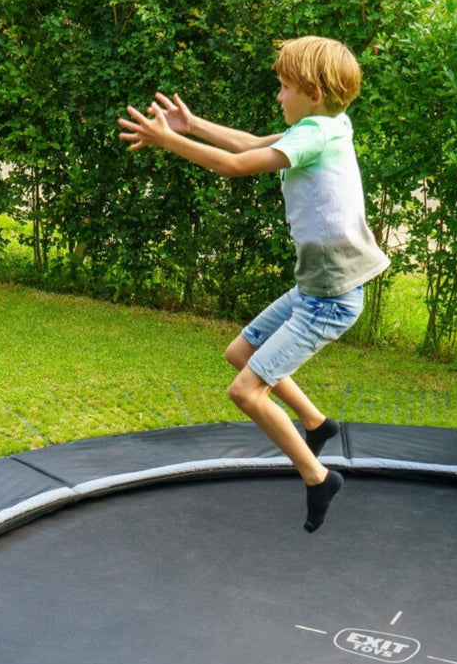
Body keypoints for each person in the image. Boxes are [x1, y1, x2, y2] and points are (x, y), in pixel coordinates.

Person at [117, 36, 389, 532]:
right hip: (314, 289)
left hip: (330, 299)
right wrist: (192, 125)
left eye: (285, 88)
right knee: (240, 352)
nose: (278, 96)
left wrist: (166, 140)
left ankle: (318, 478)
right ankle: (316, 424)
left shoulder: (314, 135)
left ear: (313, 93)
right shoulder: (327, 125)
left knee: (246, 392)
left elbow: (234, 165)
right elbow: (248, 143)